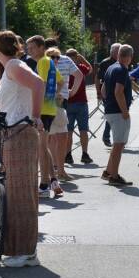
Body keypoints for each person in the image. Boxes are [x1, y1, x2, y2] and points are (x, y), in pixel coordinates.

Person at [0, 30, 45, 268]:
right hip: (9, 135)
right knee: (13, 194)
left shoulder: (14, 66)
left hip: (20, 135)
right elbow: (7, 110)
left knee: (21, 194)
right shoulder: (10, 72)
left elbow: (38, 84)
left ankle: (26, 252)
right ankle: (17, 249)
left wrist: (35, 117)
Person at [26, 35, 64, 197]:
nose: (29, 51)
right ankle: (54, 180)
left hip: (42, 110)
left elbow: (39, 84)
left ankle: (44, 185)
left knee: (41, 147)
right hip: (49, 109)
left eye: (32, 48)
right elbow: (61, 82)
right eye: (28, 48)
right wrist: (54, 95)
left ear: (42, 48)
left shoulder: (42, 62)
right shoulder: (49, 62)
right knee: (43, 145)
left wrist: (38, 106)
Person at [44, 43, 84, 182]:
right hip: (55, 104)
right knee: (58, 137)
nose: (56, 60)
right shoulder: (50, 67)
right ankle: (57, 171)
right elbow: (79, 75)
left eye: (57, 57)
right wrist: (67, 92)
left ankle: (55, 170)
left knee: (53, 138)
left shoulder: (46, 66)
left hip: (56, 104)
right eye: (52, 57)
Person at [101, 44, 135, 186]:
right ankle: (114, 176)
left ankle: (108, 171)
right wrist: (125, 112)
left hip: (110, 110)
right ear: (130, 57)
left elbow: (103, 90)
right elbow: (118, 92)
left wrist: (107, 103)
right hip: (118, 112)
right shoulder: (122, 70)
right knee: (119, 145)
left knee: (116, 144)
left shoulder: (111, 67)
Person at [64, 48, 94, 165]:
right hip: (81, 103)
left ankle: (68, 155)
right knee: (83, 130)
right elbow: (90, 69)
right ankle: (84, 154)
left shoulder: (64, 69)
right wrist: (83, 59)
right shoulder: (80, 68)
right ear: (76, 58)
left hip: (68, 103)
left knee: (69, 131)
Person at [97, 43, 122, 147]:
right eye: (118, 51)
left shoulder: (121, 62)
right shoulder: (105, 62)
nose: (119, 53)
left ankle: (117, 139)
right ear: (112, 52)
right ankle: (107, 137)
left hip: (119, 93)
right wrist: (98, 93)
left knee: (117, 116)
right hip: (107, 94)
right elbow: (97, 78)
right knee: (112, 115)